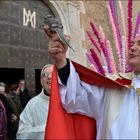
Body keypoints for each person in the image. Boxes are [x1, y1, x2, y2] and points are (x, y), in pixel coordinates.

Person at [45, 26, 140, 139]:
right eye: (131, 44)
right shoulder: (115, 86)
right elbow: (77, 97)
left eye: (139, 44)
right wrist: (61, 60)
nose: (132, 48)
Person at [16, 64, 53, 140]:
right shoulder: (32, 104)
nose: (49, 77)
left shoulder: (68, 102)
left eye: (53, 74)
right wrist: (48, 129)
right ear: (41, 81)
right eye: (45, 75)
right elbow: (21, 134)